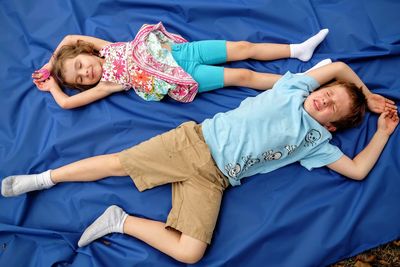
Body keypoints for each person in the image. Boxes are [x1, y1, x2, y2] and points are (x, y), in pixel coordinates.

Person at [3, 62, 398, 264]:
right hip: (194, 144)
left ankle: (119, 221)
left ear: (330, 124)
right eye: (327, 93)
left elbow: (358, 170)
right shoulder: (293, 89)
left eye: (332, 107)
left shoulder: (317, 142)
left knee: (191, 253)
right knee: (115, 164)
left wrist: (381, 130)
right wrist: (366, 93)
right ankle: (44, 179)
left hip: (216, 180)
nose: (324, 100)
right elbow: (339, 69)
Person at [32, 22, 330, 109]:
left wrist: (49, 66)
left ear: (86, 52)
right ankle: (307, 78)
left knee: (242, 47)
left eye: (81, 65)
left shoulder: (105, 48)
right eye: (81, 79)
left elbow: (69, 36)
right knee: (243, 75)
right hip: (181, 74)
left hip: (182, 51)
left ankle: (298, 50)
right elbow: (68, 105)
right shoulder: (109, 82)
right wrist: (54, 85)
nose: (86, 73)